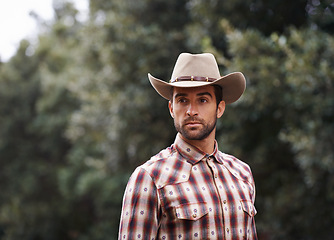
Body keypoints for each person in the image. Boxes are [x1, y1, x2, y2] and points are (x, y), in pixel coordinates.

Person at [118, 53, 258, 239]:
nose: (191, 111)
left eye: (203, 100)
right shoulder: (150, 178)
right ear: (171, 109)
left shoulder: (242, 174)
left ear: (220, 108)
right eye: (183, 100)